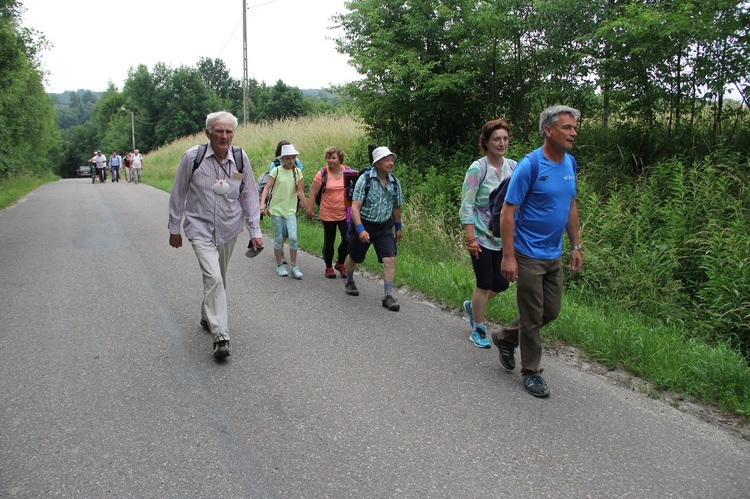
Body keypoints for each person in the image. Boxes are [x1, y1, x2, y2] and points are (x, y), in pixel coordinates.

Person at [493, 105, 583, 397]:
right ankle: (531, 371)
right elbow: (508, 211)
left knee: (550, 311)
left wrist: (575, 245)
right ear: (549, 130)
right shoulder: (530, 165)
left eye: (574, 127)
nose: (573, 132)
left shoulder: (570, 163)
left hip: (553, 252)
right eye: (567, 127)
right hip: (528, 251)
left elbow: (570, 205)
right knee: (532, 315)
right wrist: (508, 256)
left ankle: (506, 338)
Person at [168, 111, 263, 359]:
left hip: (229, 228)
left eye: (228, 131)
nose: (224, 136)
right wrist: (173, 228)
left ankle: (206, 315)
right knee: (214, 277)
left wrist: (255, 230)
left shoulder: (240, 159)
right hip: (200, 228)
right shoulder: (193, 158)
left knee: (218, 277)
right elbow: (178, 193)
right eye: (219, 131)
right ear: (207, 132)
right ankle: (221, 336)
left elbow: (250, 195)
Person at [459, 120, 516, 348]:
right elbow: (466, 205)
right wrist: (470, 237)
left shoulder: (514, 167)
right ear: (486, 142)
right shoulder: (478, 168)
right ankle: (478, 328)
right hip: (481, 236)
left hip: (504, 238)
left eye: (504, 138)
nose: (501, 143)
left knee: (501, 284)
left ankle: (473, 306)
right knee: (484, 282)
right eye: (496, 139)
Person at [343, 146, 404, 311]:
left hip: (384, 226)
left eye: (392, 160)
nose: (391, 163)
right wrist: (361, 229)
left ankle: (388, 296)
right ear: (377, 163)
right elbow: (355, 208)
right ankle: (349, 280)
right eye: (387, 160)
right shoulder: (365, 180)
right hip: (364, 224)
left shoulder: (395, 182)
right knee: (355, 257)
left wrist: (398, 227)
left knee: (389, 259)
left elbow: (396, 207)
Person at [260, 144, 306, 279]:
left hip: (290, 210)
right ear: (283, 159)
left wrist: (307, 206)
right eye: (288, 158)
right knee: (279, 237)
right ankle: (280, 264)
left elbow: (300, 191)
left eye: (293, 158)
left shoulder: (298, 172)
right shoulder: (276, 171)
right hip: (276, 210)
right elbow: (267, 188)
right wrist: (262, 204)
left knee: (293, 237)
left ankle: (294, 265)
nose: (291, 161)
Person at [306, 147, 353, 279]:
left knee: (348, 239)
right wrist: (309, 210)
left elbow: (354, 191)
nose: (330, 160)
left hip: (344, 213)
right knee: (329, 240)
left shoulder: (348, 171)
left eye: (334, 158)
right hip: (328, 212)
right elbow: (313, 193)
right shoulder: (322, 173)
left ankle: (340, 263)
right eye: (328, 158)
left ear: (340, 159)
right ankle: (328, 267)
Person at [269, 140, 303, 264]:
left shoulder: (297, 166)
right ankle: (280, 252)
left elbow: (298, 186)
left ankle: (290, 260)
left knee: (289, 233)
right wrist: (265, 204)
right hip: (278, 205)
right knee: (281, 232)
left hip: (290, 203)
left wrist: (301, 201)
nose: (291, 160)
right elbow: (271, 186)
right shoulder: (275, 166)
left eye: (293, 157)